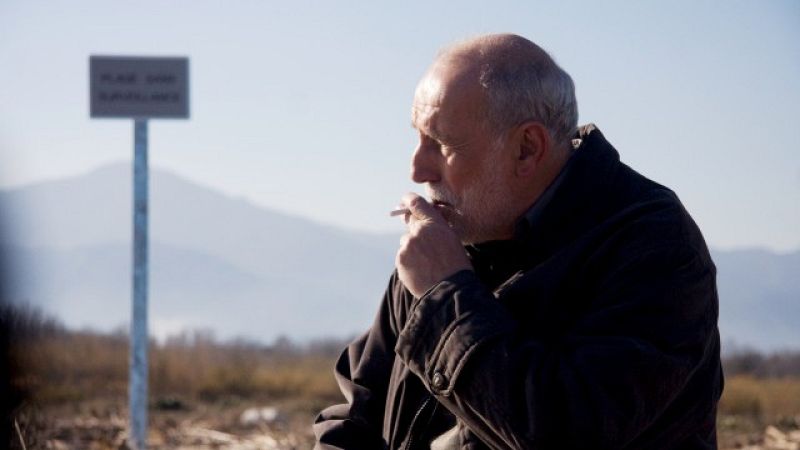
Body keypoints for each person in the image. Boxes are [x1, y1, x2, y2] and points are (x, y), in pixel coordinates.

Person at [314, 33, 723, 450]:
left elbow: (567, 433)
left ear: (527, 149)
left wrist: (446, 297)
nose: (417, 170)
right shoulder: (448, 239)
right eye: (417, 137)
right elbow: (358, 413)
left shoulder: (653, 247)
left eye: (441, 144)